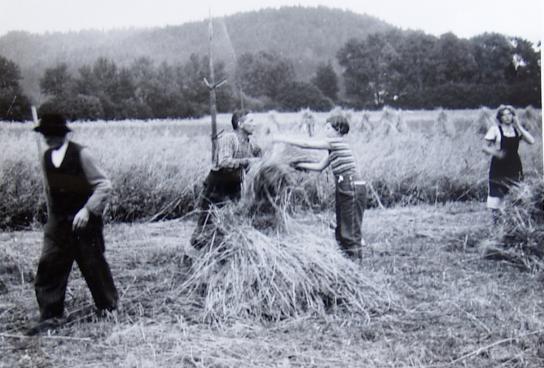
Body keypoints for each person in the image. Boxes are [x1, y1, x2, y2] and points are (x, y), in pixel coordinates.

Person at [28, 113, 118, 335]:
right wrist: (52, 220)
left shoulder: (81, 154)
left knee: (93, 265)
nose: (47, 138)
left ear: (62, 134)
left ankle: (108, 308)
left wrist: (87, 210)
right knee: (49, 265)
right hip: (58, 222)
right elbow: (50, 193)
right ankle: (50, 316)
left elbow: (103, 185)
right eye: (45, 134)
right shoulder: (46, 157)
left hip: (84, 222)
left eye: (51, 134)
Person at [273, 115, 366, 261]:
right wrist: (297, 165)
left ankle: (355, 263)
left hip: (351, 185)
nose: (325, 130)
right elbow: (319, 167)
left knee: (350, 228)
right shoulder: (334, 149)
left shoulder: (337, 143)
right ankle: (347, 259)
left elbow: (306, 144)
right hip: (344, 185)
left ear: (338, 129)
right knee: (341, 227)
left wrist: (282, 138)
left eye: (328, 127)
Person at [190, 109, 261, 249]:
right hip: (217, 185)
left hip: (234, 186)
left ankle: (220, 253)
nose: (255, 124)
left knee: (229, 222)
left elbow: (251, 164)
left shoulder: (250, 143)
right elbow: (224, 161)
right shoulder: (229, 138)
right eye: (251, 121)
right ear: (240, 124)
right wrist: (249, 161)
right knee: (206, 223)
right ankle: (194, 255)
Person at [482, 105, 535, 223]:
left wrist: (519, 125)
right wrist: (496, 153)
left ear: (513, 116)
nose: (507, 117)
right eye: (504, 115)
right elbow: (484, 147)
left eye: (509, 114)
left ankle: (515, 222)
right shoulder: (495, 129)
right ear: (500, 117)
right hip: (498, 167)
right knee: (497, 197)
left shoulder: (517, 130)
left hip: (515, 165)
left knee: (517, 194)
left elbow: (531, 141)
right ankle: (496, 224)